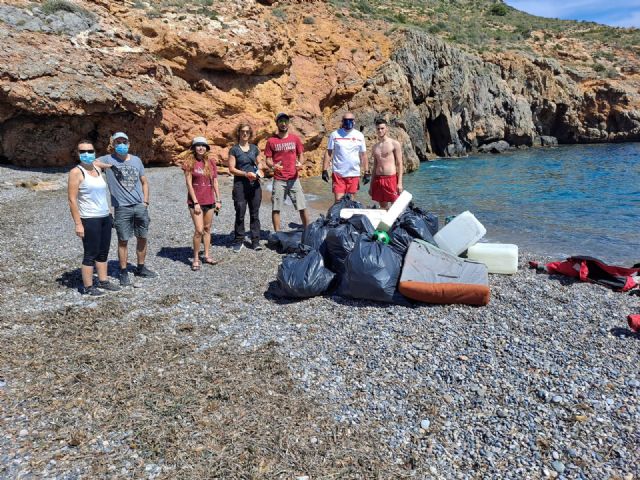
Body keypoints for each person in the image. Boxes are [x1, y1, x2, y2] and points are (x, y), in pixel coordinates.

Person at [95, 132, 156, 286]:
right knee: (123, 240)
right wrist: (109, 166)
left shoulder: (136, 160)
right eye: (118, 142)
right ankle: (123, 271)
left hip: (139, 205)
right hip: (122, 208)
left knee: (142, 237)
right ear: (113, 145)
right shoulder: (108, 159)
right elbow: (91, 163)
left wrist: (146, 201)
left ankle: (141, 268)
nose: (121, 145)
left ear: (129, 144)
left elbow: (144, 181)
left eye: (124, 142)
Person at [67, 139, 121, 296]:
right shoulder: (76, 172)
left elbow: (101, 163)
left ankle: (103, 281)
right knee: (90, 253)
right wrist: (78, 224)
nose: (87, 154)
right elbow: (72, 199)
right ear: (77, 154)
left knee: (103, 252)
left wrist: (112, 166)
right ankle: (88, 286)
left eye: (90, 151)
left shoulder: (97, 167)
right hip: (89, 218)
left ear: (94, 153)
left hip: (104, 216)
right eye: (82, 152)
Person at [264, 112, 309, 232]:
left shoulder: (295, 139)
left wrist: (300, 163)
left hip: (294, 179)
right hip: (279, 180)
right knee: (276, 208)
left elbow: (301, 155)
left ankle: (308, 230)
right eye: (281, 121)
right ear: (277, 123)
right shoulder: (271, 141)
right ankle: (277, 233)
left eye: (285, 121)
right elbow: (267, 159)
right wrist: (273, 166)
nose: (283, 124)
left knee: (302, 206)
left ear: (288, 123)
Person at [183, 137, 222, 270]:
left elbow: (215, 182)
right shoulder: (189, 162)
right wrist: (195, 202)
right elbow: (188, 183)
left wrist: (218, 199)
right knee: (199, 230)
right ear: (194, 148)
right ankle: (195, 258)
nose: (201, 148)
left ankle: (206, 255)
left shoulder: (210, 162)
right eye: (198, 145)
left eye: (203, 145)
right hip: (196, 202)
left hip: (210, 200)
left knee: (207, 229)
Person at [228, 123, 264, 252]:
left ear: (250, 134)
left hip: (254, 186)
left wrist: (259, 170)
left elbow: (260, 162)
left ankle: (255, 241)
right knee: (240, 213)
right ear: (238, 133)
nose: (245, 134)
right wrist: (245, 174)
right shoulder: (234, 149)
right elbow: (231, 168)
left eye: (247, 132)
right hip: (240, 186)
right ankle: (239, 241)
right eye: (242, 131)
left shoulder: (254, 148)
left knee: (255, 214)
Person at [322, 111, 369, 202]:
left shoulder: (359, 136)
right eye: (346, 120)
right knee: (339, 202)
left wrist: (367, 172)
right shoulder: (335, 135)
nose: (348, 122)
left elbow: (363, 154)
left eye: (350, 120)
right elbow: (329, 152)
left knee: (351, 203)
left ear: (354, 121)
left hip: (354, 174)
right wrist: (324, 170)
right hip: (338, 174)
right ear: (342, 122)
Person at [369, 118, 404, 209]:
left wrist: (399, 183)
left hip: (391, 179)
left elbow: (400, 164)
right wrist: (371, 185)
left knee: (395, 208)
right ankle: (385, 224)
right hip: (378, 179)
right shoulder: (375, 147)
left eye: (382, 128)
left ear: (386, 129)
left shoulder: (394, 144)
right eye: (378, 129)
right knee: (383, 208)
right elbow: (375, 166)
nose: (380, 130)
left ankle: (396, 223)